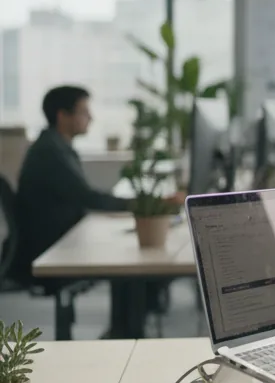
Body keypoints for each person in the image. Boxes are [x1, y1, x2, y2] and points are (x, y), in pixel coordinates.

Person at [12, 86, 184, 279]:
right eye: (84, 112)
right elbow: (88, 198)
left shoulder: (55, 146)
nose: (91, 118)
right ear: (62, 116)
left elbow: (84, 196)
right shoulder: (50, 152)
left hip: (61, 236)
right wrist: (150, 206)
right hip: (53, 246)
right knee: (129, 248)